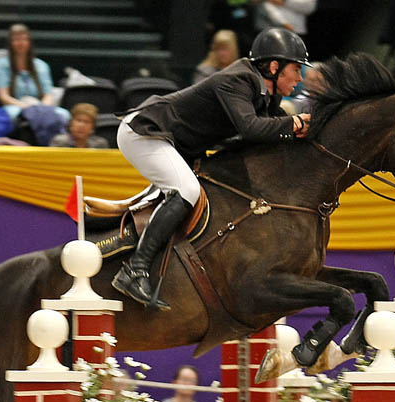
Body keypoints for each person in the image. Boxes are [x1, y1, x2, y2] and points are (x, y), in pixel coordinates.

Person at [111, 27, 312, 310]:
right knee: (186, 190)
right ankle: (134, 270)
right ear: (275, 66)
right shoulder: (237, 80)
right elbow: (252, 129)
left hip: (177, 142)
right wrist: (294, 123)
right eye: (296, 69)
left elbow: (274, 132)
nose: (300, 78)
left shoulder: (266, 93)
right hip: (145, 132)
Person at [0, 24, 57, 110]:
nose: (21, 43)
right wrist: (27, 107)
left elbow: (48, 95)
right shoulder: (1, 65)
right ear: (10, 43)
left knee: (63, 115)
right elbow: (3, 96)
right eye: (16, 40)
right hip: (15, 106)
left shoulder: (42, 65)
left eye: (24, 39)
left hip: (39, 106)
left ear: (30, 42)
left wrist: (41, 108)